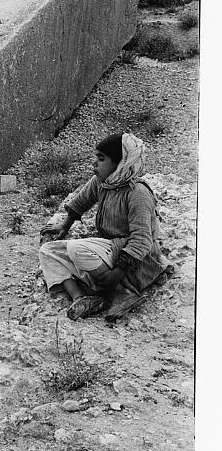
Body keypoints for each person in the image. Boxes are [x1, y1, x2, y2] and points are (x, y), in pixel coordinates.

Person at [38, 132, 171, 320]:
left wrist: (117, 273)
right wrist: (65, 226)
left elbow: (141, 239)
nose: (95, 164)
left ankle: (123, 293)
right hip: (109, 249)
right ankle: (82, 298)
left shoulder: (137, 193)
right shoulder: (103, 182)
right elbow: (81, 201)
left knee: (77, 249)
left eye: (101, 159)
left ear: (119, 164)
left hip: (134, 257)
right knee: (47, 250)